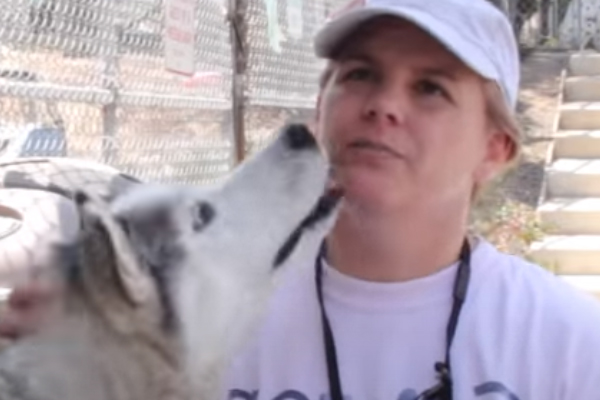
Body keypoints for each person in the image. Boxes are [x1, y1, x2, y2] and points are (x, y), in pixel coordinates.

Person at [3, 0, 600, 399]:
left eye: (429, 87)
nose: (383, 105)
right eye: (360, 73)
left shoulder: (568, 348)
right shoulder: (174, 328)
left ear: (495, 147)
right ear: (321, 108)